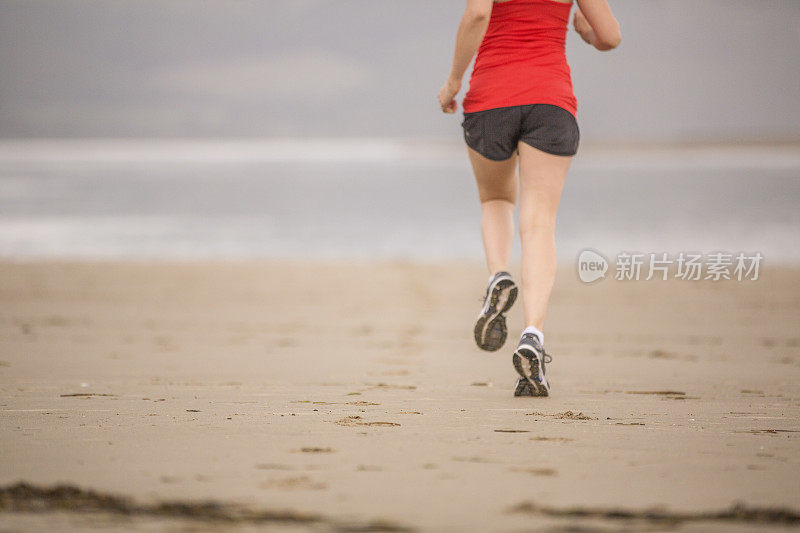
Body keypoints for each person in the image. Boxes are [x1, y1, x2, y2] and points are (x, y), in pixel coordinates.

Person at [438, 0, 620, 396]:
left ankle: (498, 276)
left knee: (496, 200)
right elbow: (609, 36)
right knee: (539, 224)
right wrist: (584, 32)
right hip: (550, 102)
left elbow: (477, 15)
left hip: (491, 99)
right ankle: (532, 334)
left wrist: (453, 81)